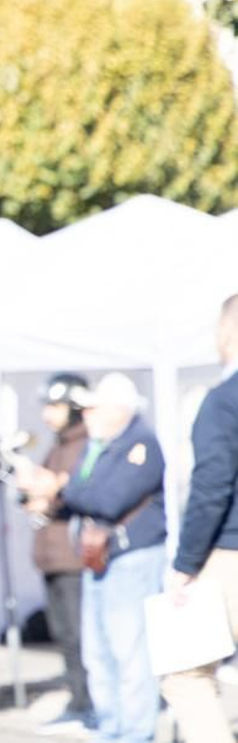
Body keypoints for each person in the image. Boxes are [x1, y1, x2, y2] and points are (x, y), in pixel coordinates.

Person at [55, 373, 165, 743]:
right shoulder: (100, 446)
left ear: (118, 409)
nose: (86, 415)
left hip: (131, 559)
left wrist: (62, 489)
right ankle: (112, 727)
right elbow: (82, 493)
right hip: (99, 561)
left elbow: (106, 499)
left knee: (129, 653)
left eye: (93, 407)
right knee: (98, 653)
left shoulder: (141, 445)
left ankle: (135, 733)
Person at [160, 295, 238, 743]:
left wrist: (186, 563)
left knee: (185, 673)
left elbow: (211, 487)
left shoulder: (224, 401)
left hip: (229, 554)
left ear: (226, 334)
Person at [17, 372, 95, 732]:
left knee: (80, 635)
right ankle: (79, 700)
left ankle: (89, 703)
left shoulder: (84, 445)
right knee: (65, 635)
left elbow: (78, 491)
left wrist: (51, 492)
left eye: (55, 405)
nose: (48, 413)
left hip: (73, 556)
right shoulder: (59, 444)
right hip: (53, 554)